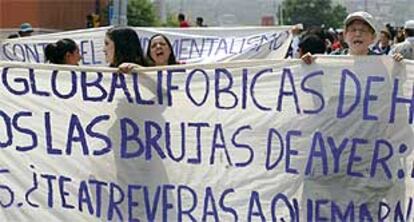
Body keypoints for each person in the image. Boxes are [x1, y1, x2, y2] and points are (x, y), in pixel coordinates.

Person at [302, 11, 378, 64]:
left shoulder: (382, 63)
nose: (357, 34)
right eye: (353, 30)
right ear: (345, 35)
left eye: (363, 30)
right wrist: (310, 63)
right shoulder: (332, 59)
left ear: (373, 37)